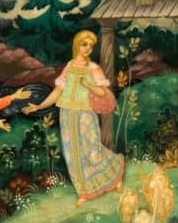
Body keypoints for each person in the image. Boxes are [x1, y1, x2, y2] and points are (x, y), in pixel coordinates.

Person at [25, 29, 124, 203]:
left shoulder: (93, 68)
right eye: (84, 44)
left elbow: (102, 92)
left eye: (91, 46)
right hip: (67, 113)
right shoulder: (69, 66)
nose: (87, 49)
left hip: (85, 112)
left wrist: (88, 85)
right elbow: (58, 91)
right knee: (72, 154)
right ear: (77, 45)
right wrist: (39, 106)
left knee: (92, 150)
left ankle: (114, 176)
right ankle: (84, 191)